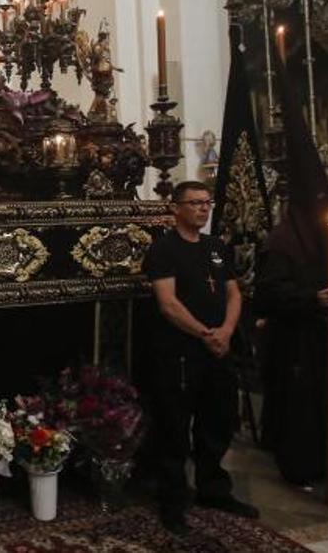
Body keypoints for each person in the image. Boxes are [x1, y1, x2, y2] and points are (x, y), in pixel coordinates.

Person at [143, 180, 258, 535]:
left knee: (217, 421)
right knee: (175, 428)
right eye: (195, 203)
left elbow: (234, 293)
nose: (203, 209)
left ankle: (214, 489)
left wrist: (224, 331)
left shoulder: (216, 247)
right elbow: (168, 304)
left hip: (218, 351)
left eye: (207, 203)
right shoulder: (164, 249)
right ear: (175, 208)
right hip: (181, 353)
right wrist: (205, 334)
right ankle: (173, 500)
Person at [255, 214, 328, 489]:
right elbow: (269, 291)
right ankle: (299, 466)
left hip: (326, 337)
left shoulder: (325, 239)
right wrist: (312, 298)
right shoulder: (284, 240)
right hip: (295, 339)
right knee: (300, 404)